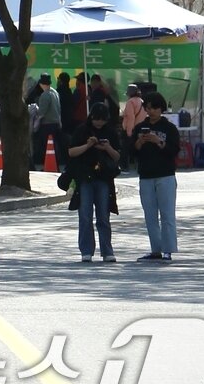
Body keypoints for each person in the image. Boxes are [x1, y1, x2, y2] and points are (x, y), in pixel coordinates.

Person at [67, 99, 121, 262]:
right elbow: (71, 152)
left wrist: (107, 148)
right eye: (96, 119)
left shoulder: (111, 132)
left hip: (104, 178)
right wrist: (88, 145)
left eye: (102, 119)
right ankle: (86, 250)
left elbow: (118, 157)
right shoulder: (82, 130)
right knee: (85, 215)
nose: (99, 123)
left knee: (103, 215)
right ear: (91, 117)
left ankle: (107, 250)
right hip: (85, 177)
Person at [132, 92, 180, 263]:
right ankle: (156, 249)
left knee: (167, 214)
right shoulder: (139, 128)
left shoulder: (169, 128)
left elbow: (174, 151)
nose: (151, 111)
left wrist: (158, 141)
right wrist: (139, 142)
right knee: (150, 215)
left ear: (161, 109)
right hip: (145, 175)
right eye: (148, 108)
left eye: (155, 108)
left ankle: (168, 249)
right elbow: (131, 153)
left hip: (165, 174)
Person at [32, 74, 62, 171]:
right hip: (56, 123)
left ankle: (50, 165)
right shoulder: (55, 92)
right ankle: (55, 165)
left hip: (47, 124)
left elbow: (42, 113)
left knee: (48, 146)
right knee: (55, 145)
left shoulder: (45, 95)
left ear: (41, 84)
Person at [120, 83, 145, 169]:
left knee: (125, 149)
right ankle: (140, 166)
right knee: (139, 148)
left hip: (131, 128)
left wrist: (128, 132)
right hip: (140, 128)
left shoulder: (130, 102)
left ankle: (124, 168)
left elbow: (130, 117)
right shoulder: (141, 101)